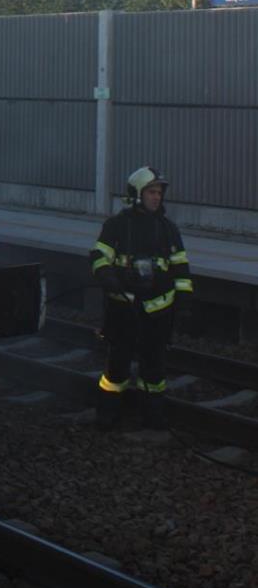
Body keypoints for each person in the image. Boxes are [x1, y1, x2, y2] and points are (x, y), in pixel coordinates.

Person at [90, 166, 192, 430]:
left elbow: (181, 267)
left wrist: (183, 301)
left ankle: (152, 417)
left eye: (159, 193)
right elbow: (98, 257)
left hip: (159, 312)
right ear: (136, 194)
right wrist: (107, 277)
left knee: (154, 369)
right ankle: (107, 416)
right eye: (151, 192)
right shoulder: (116, 226)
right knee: (117, 367)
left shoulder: (168, 229)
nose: (157, 198)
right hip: (123, 309)